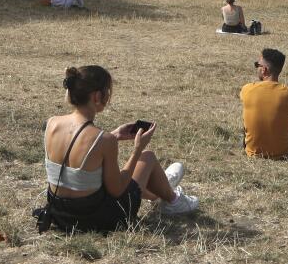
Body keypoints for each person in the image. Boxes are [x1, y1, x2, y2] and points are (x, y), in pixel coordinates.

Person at [42, 65, 197, 233]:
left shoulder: (52, 123)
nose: (109, 97)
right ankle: (173, 200)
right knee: (147, 157)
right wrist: (137, 149)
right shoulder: (103, 140)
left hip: (60, 215)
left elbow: (76, 157)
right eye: (108, 92)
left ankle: (163, 192)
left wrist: (113, 135)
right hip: (95, 220)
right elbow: (117, 189)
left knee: (127, 169)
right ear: (97, 96)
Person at [241, 49, 288, 158]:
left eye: (257, 65)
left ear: (264, 70)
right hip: (283, 154)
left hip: (252, 152)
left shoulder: (247, 89)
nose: (256, 67)